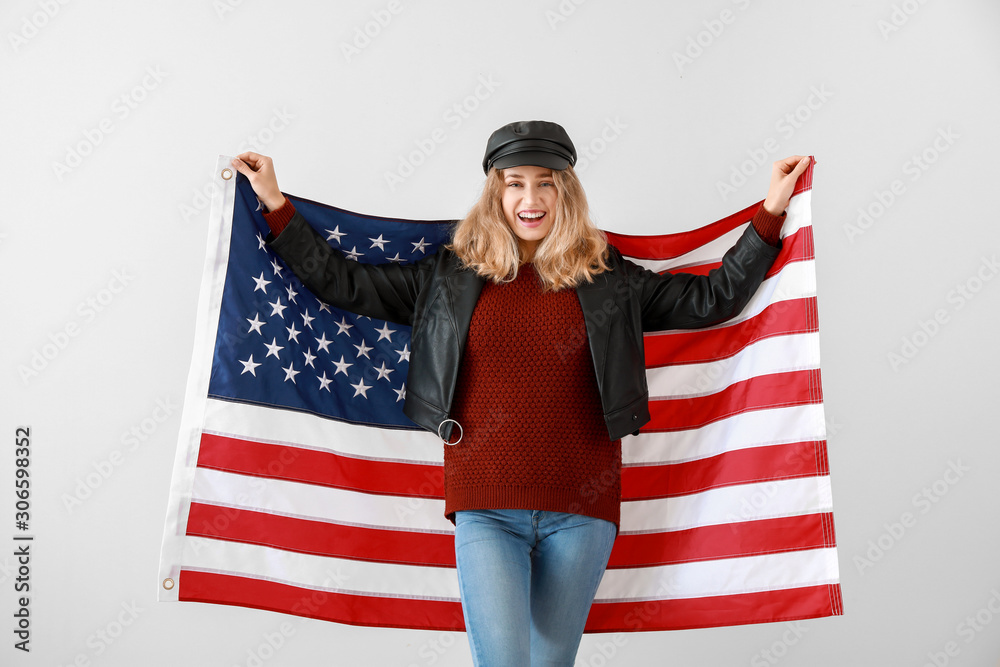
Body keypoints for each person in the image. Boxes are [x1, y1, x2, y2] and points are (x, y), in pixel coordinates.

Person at [230, 120, 810, 667]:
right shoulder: (448, 276)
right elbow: (343, 281)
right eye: (515, 184)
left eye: (545, 184)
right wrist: (275, 204)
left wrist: (771, 212)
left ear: (566, 194)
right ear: (496, 193)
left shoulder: (608, 277)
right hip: (486, 509)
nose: (530, 198)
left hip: (581, 510)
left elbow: (713, 299)